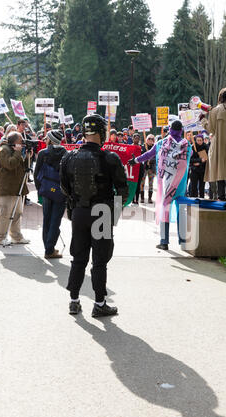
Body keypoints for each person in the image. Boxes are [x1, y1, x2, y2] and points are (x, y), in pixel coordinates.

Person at [60, 114, 129, 317]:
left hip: (79, 211)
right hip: (102, 212)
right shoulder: (110, 158)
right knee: (100, 260)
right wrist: (114, 215)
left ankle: (74, 301)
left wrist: (74, 204)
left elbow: (64, 187)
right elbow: (123, 190)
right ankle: (99, 303)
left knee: (78, 257)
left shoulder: (69, 157)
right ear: (101, 132)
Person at [129, 120, 192, 250]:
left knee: (165, 211)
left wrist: (135, 160)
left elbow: (148, 154)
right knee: (181, 210)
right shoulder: (187, 145)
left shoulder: (161, 143)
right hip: (180, 184)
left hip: (166, 185)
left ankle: (164, 241)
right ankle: (184, 242)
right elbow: (189, 156)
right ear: (181, 131)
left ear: (169, 129)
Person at [34, 130, 68, 259]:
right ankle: (50, 249)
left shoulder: (43, 153)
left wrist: (40, 190)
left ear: (50, 140)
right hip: (60, 192)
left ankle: (48, 249)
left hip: (47, 191)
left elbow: (37, 174)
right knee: (55, 221)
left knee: (46, 220)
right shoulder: (65, 153)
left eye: (46, 138)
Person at [0, 132, 31, 245]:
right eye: (21, 141)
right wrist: (18, 152)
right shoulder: (3, 151)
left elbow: (21, 166)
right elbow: (10, 164)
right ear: (15, 142)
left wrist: (28, 157)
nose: (22, 143)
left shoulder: (15, 151)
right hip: (6, 189)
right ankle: (0, 238)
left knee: (17, 213)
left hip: (17, 188)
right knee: (4, 213)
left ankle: (16, 237)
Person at [188, 133, 208, 198]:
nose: (199, 142)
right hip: (194, 169)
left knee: (202, 187)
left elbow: (206, 159)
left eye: (200, 140)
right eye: (198, 140)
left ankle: (202, 199)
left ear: (203, 140)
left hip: (203, 170)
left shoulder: (205, 147)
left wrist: (200, 162)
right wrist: (199, 160)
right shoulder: (192, 147)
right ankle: (193, 200)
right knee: (193, 186)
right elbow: (190, 159)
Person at [140, 134, 156, 204]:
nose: (150, 140)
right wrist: (146, 160)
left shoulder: (155, 148)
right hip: (144, 168)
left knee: (151, 184)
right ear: (146, 139)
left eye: (152, 139)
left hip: (151, 168)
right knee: (142, 183)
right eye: (149, 139)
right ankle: (142, 198)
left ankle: (150, 198)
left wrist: (151, 160)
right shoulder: (143, 147)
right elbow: (141, 156)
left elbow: (156, 157)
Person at [131, 133, 143, 205]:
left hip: (140, 168)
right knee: (132, 184)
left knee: (138, 184)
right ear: (132, 139)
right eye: (135, 138)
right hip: (132, 168)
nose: (136, 139)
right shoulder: (129, 147)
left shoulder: (142, 147)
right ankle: (132, 199)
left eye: (138, 138)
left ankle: (137, 200)